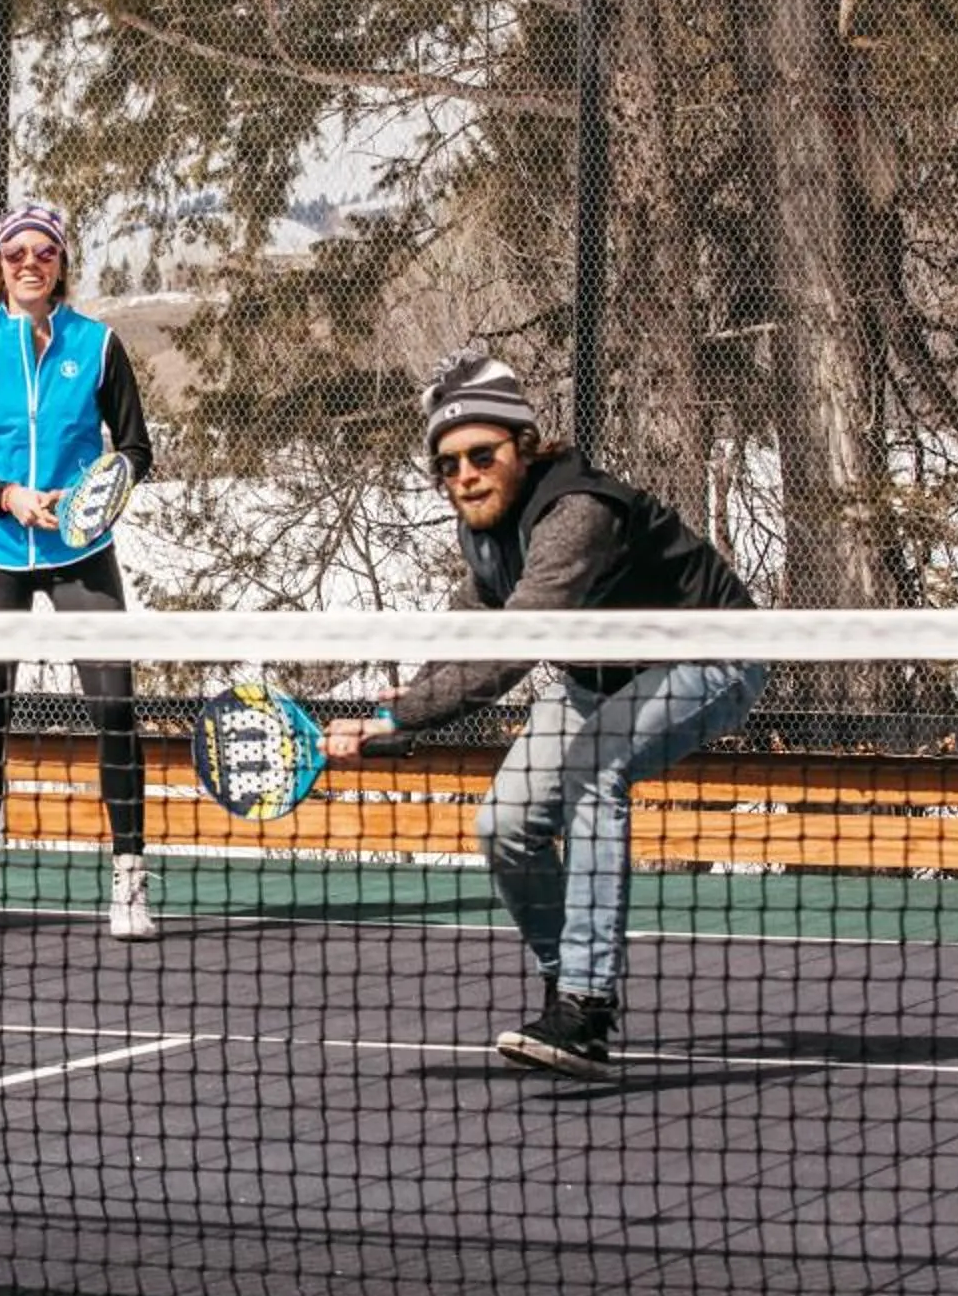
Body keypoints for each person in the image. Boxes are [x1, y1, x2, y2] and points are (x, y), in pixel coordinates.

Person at [323, 348, 765, 1080]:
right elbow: (472, 633)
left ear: (523, 447)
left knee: (593, 775)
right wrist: (396, 711)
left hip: (710, 656)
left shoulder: (576, 513)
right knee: (504, 824)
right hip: (600, 679)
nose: (465, 475)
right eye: (448, 465)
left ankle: (586, 1008)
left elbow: (516, 645)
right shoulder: (483, 531)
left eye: (482, 455)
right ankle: (567, 989)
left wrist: (407, 721)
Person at [0, 203, 158, 942]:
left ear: (61, 264)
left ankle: (129, 883)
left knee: (114, 708)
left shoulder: (99, 345)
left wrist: (91, 502)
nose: (30, 263)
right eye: (16, 253)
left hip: (80, 555)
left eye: (44, 252)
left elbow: (136, 450)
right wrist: (7, 497)